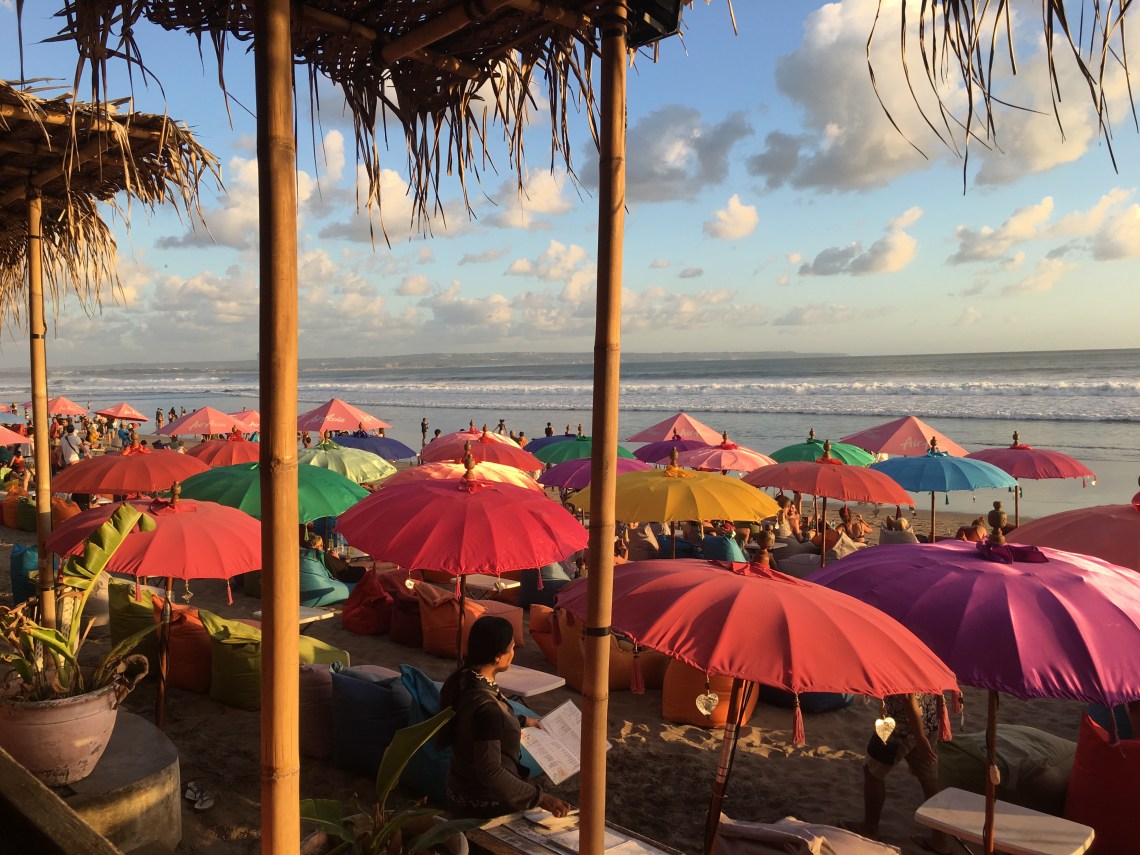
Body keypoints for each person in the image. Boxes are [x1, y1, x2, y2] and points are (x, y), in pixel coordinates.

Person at [438, 616, 571, 820]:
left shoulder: (462, 680)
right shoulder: (487, 708)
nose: (513, 653)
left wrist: (523, 721)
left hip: (457, 793)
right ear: (498, 656)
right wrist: (541, 798)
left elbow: (476, 725)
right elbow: (490, 771)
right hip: (483, 805)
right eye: (512, 647)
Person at [845, 693, 949, 854]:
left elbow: (908, 696)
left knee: (872, 771)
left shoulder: (903, 666)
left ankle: (869, 828)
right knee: (929, 779)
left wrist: (919, 736)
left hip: (899, 727)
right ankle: (940, 840)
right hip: (928, 719)